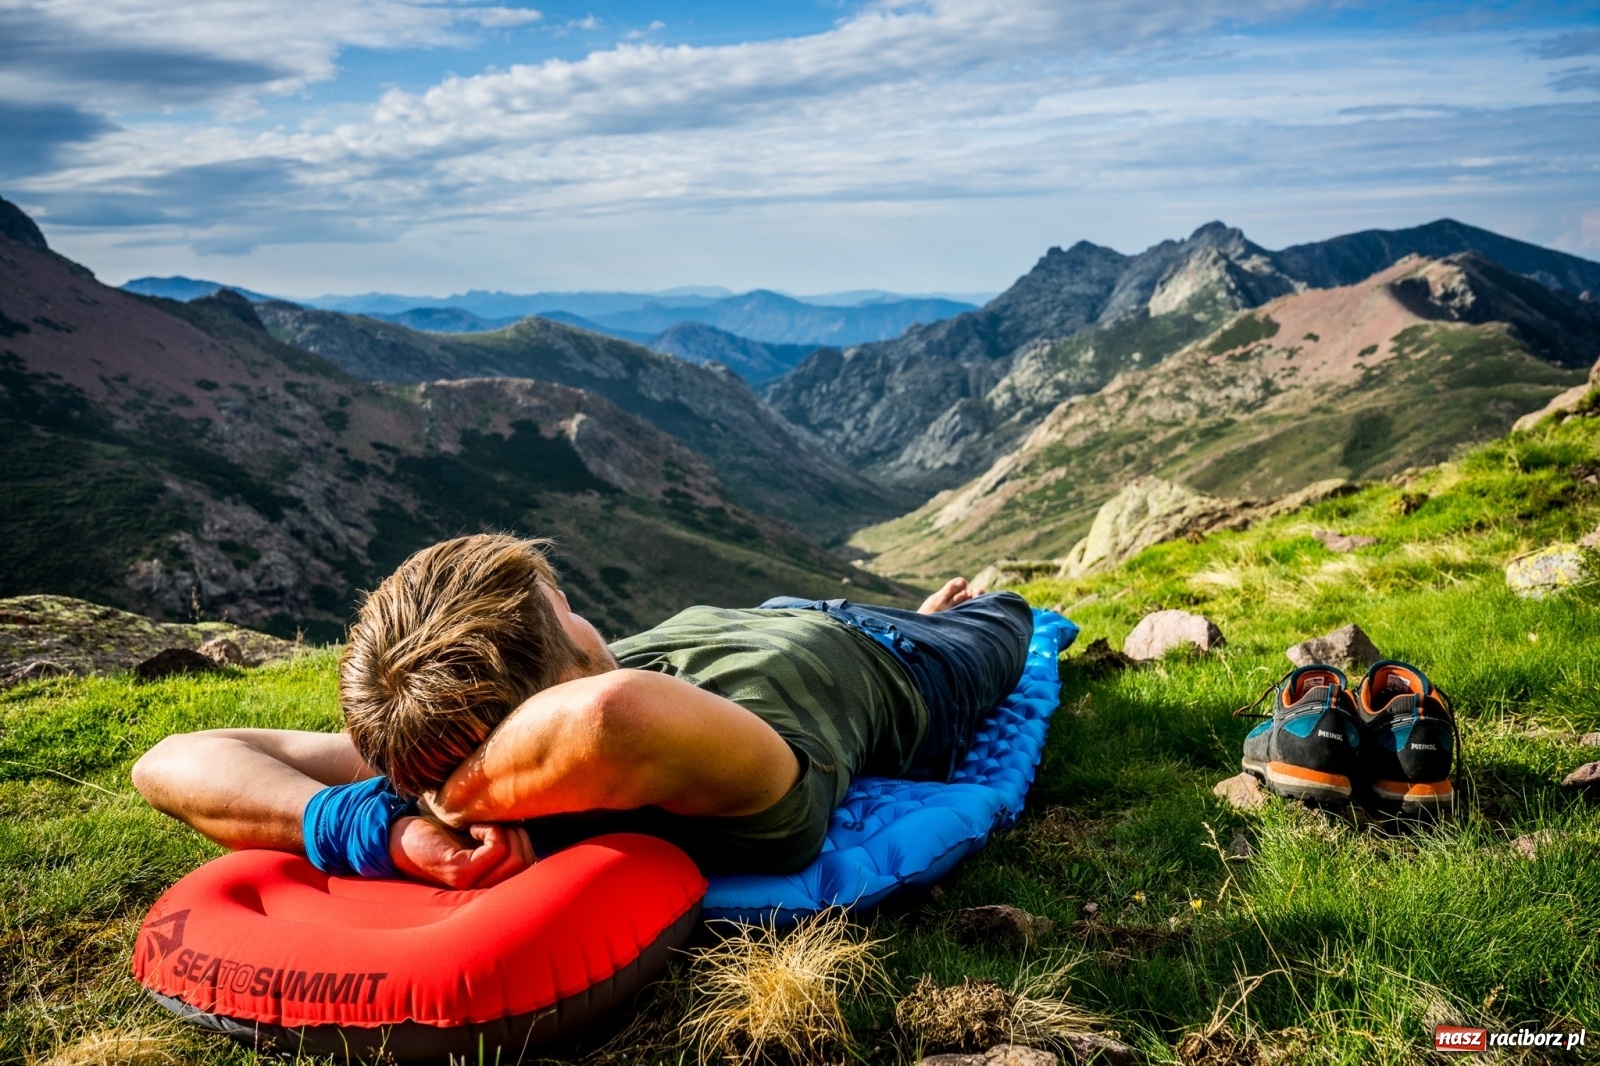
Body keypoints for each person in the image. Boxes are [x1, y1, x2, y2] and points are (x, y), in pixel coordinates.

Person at [132, 535, 1034, 888]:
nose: (578, 611)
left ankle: (912, 603)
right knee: (1011, 610)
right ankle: (934, 612)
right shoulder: (680, 754)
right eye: (563, 611)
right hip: (909, 659)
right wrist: (423, 818)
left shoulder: (446, 761)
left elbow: (178, 755)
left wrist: (401, 817)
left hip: (762, 618)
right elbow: (610, 715)